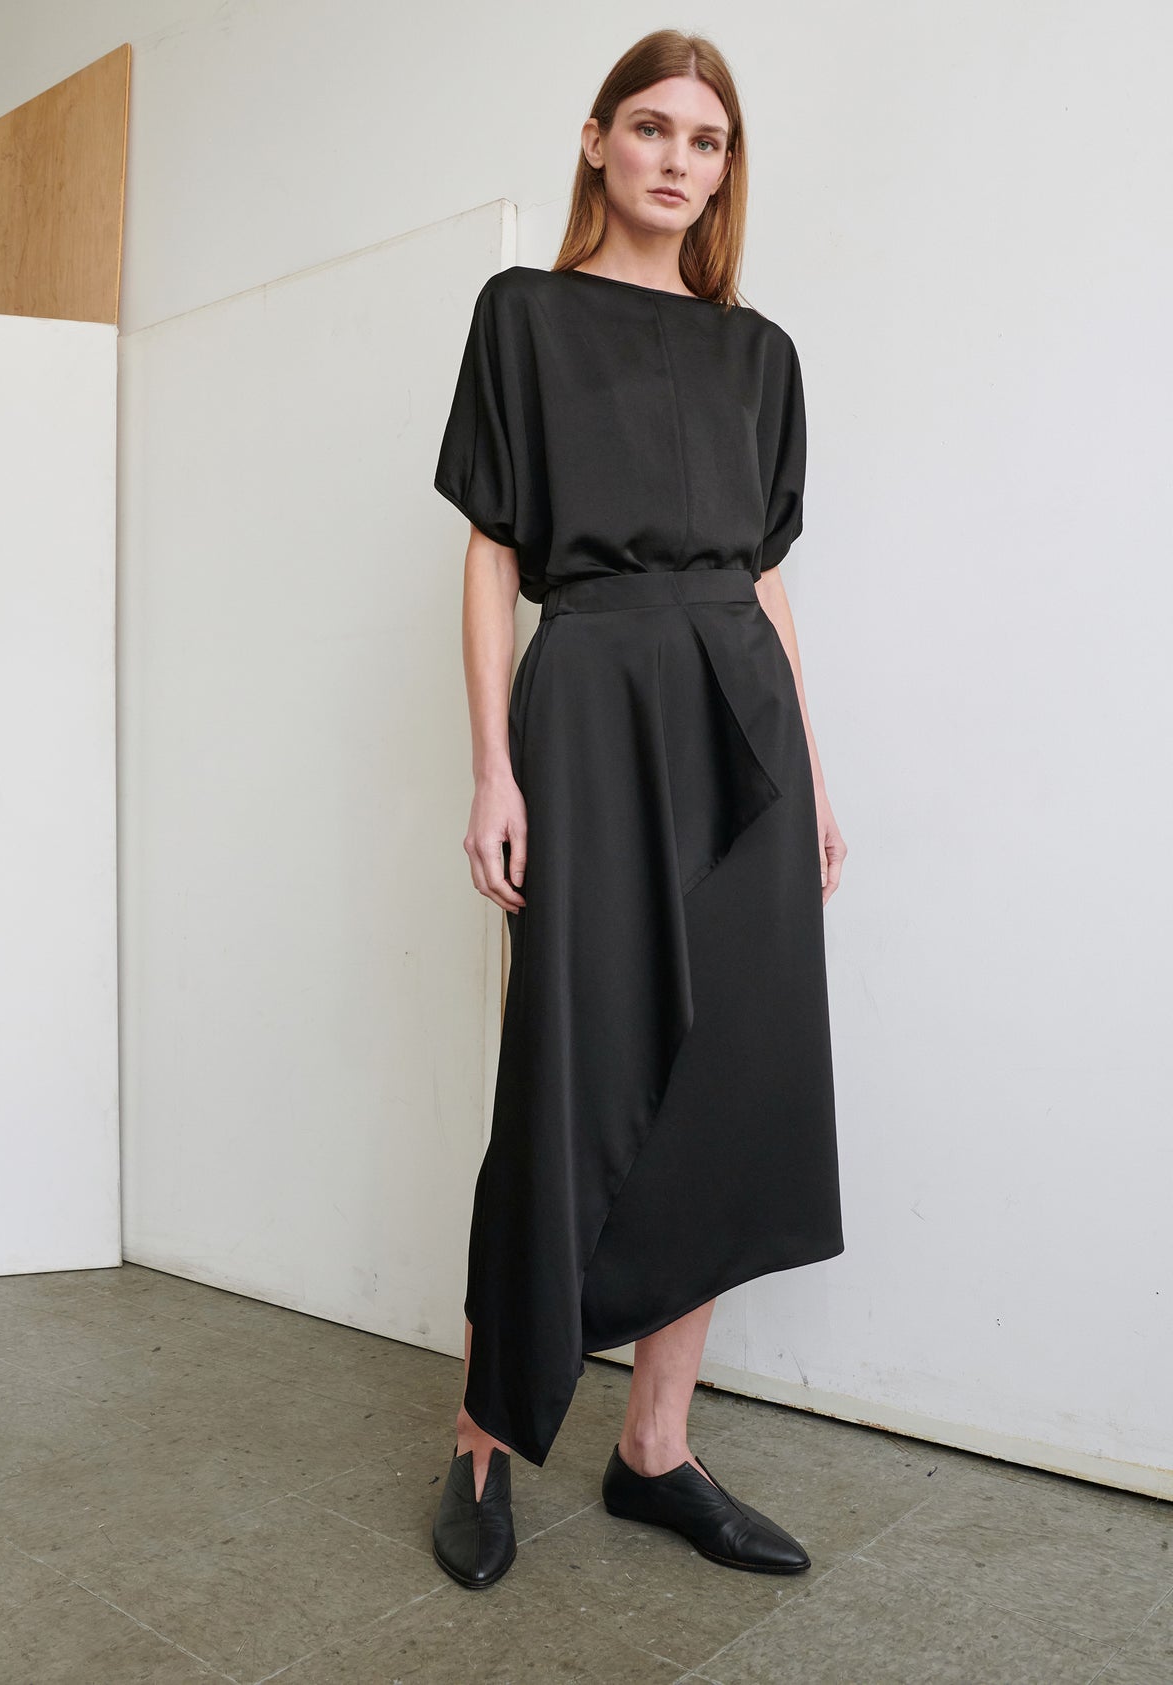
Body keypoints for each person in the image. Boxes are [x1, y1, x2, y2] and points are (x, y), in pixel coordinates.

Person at [430, 28, 847, 1590]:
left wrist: (812, 770)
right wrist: (493, 763)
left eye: (709, 140)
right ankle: (485, 1435)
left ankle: (653, 1447)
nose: (680, 159)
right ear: (598, 142)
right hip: (591, 702)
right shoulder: (522, 317)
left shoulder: (762, 356)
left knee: (735, 1082)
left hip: (740, 709)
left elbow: (767, 577)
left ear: (726, 170)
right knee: (564, 1071)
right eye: (653, 128)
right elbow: (489, 547)